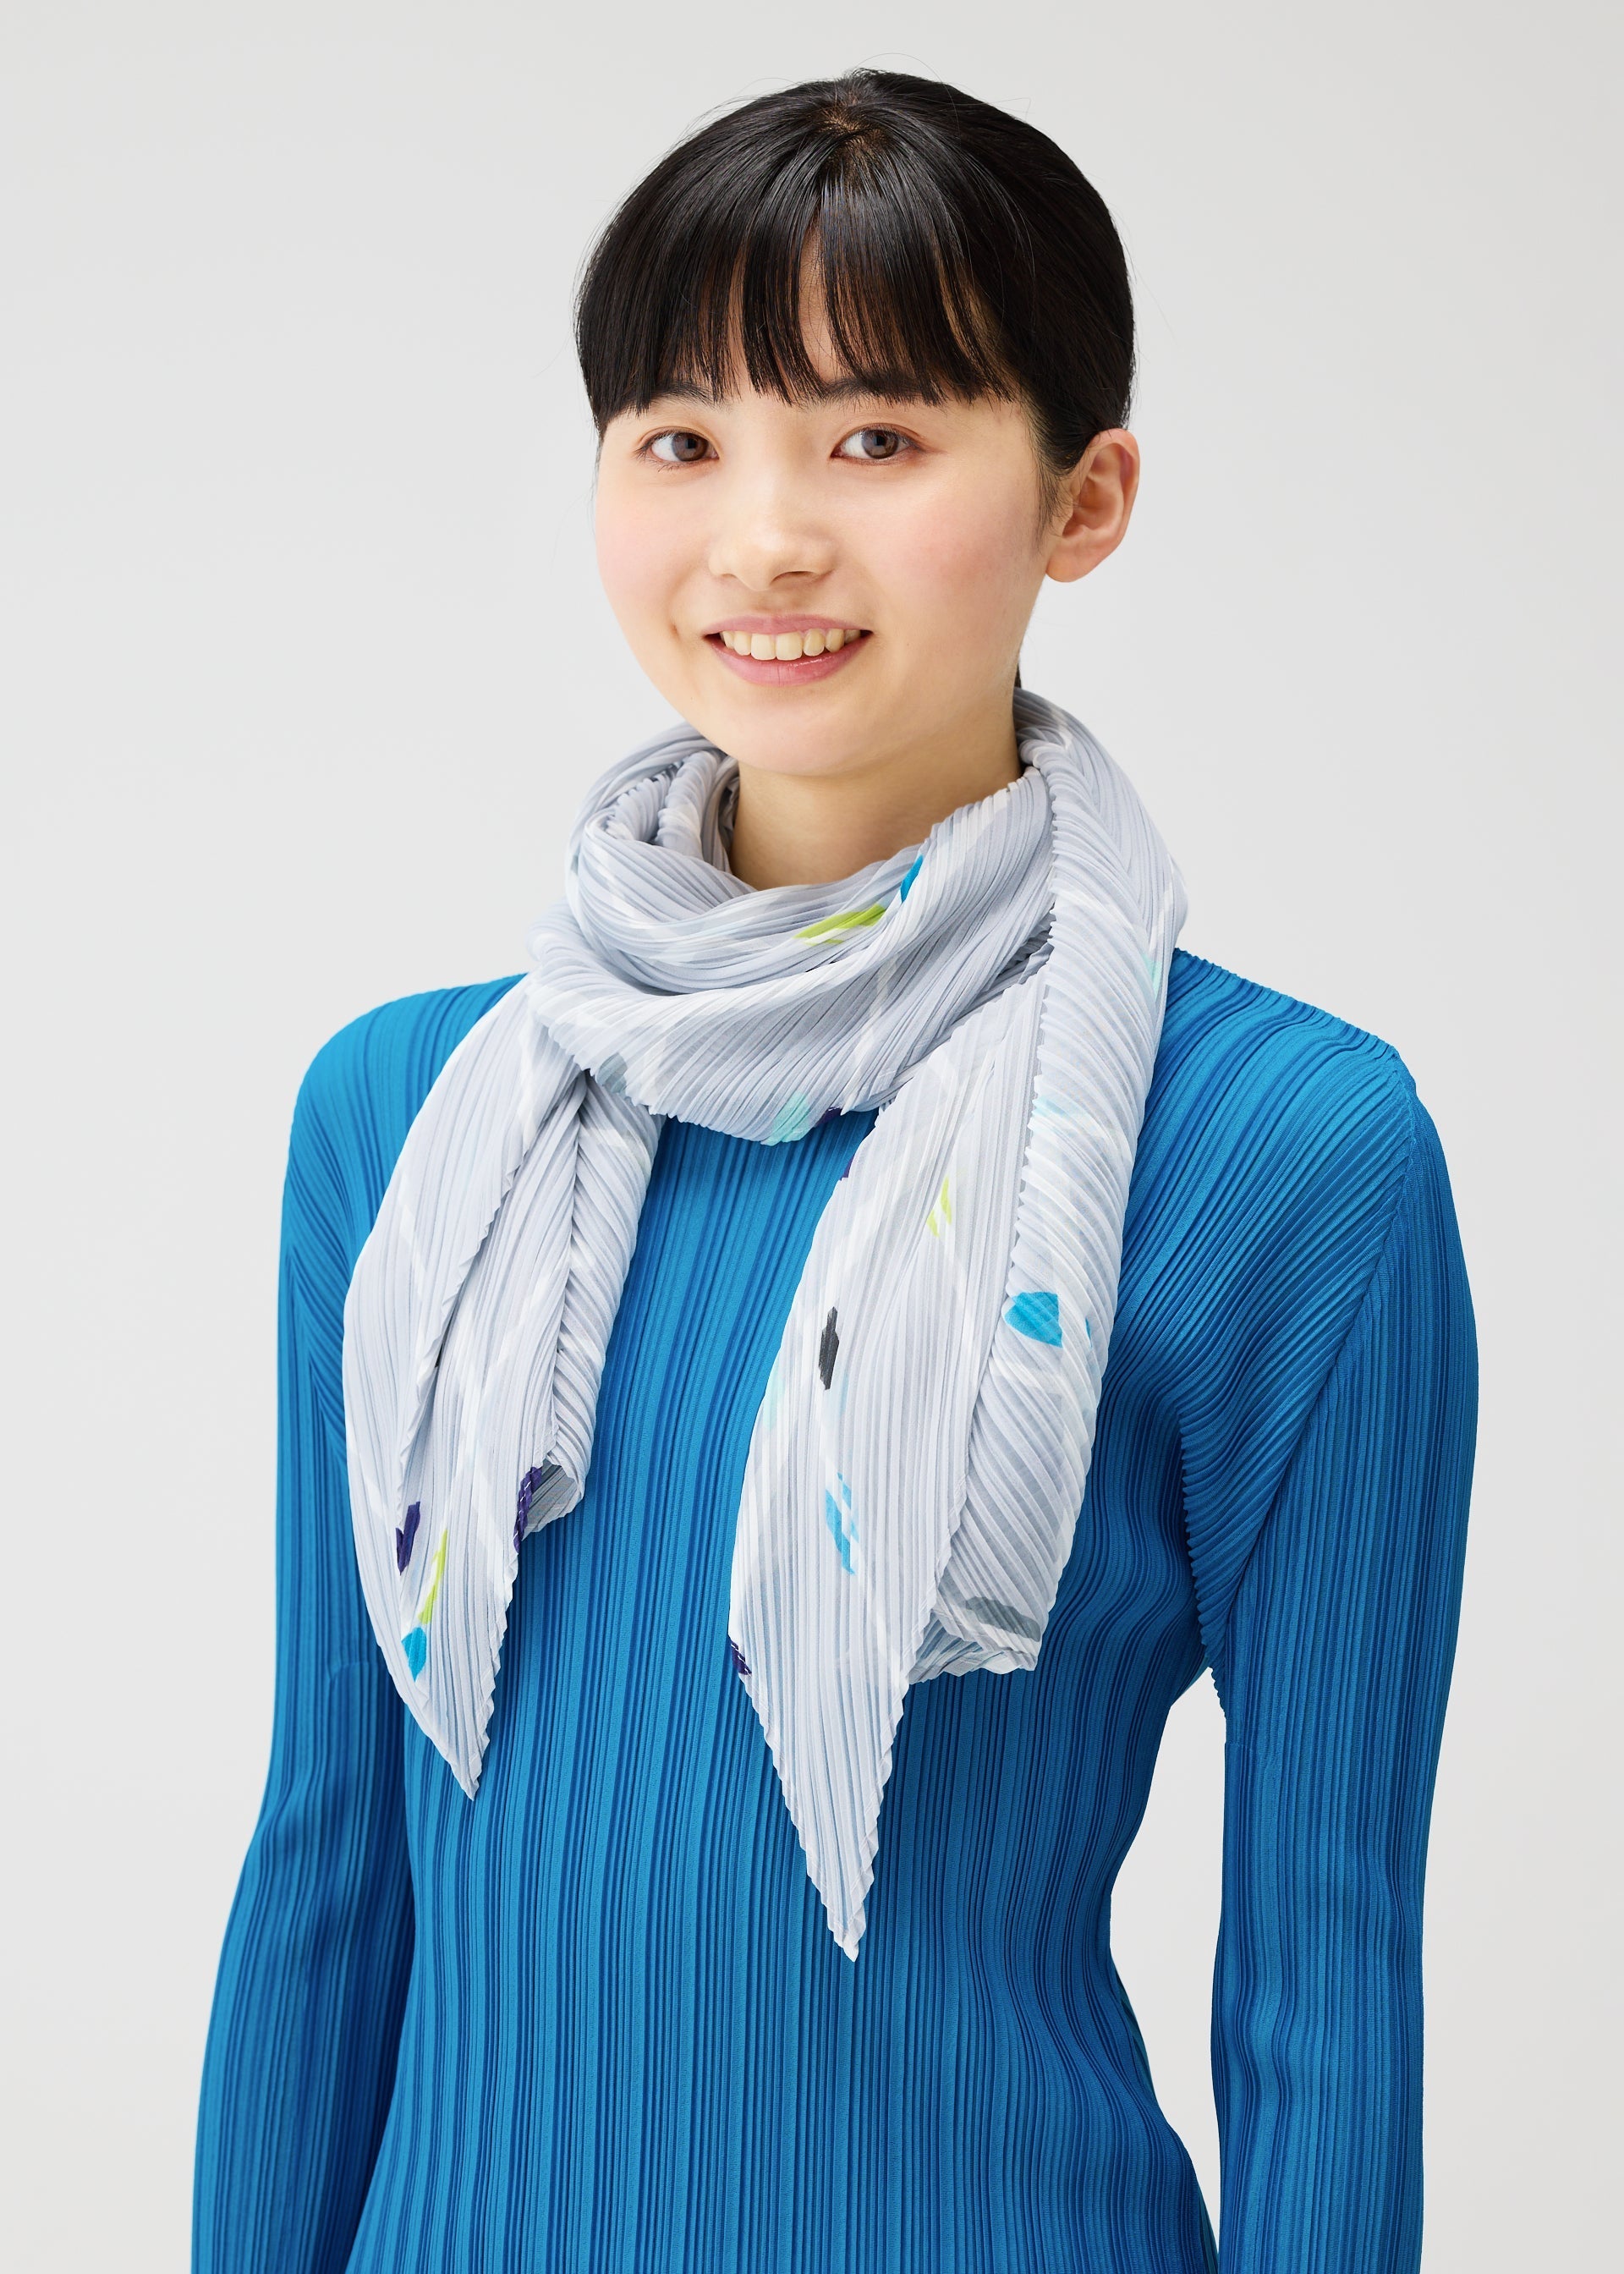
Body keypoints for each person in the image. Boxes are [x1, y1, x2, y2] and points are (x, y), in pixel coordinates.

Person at [192, 69, 1476, 2274]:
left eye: (875, 439)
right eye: (680, 438)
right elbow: (332, 1861)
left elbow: (1323, 1970)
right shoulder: (406, 1117)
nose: (764, 537)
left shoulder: (1286, 1151)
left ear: (1087, 497)